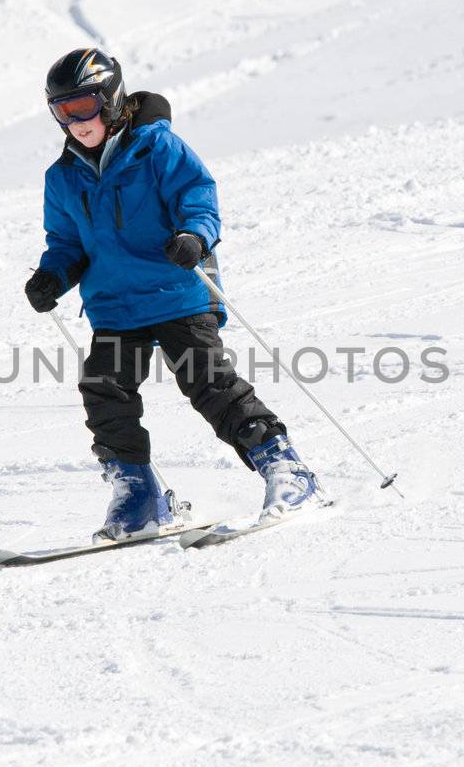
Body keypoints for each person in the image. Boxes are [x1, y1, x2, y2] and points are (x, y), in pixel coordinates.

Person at [24, 47, 325, 540]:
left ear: (112, 98)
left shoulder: (158, 148)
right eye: (62, 111)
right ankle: (139, 497)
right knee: (105, 393)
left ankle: (287, 471)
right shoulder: (61, 178)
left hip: (178, 291)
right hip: (116, 307)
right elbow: (67, 244)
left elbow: (199, 198)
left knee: (209, 385)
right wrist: (52, 277)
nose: (75, 121)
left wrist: (193, 237)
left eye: (83, 107)